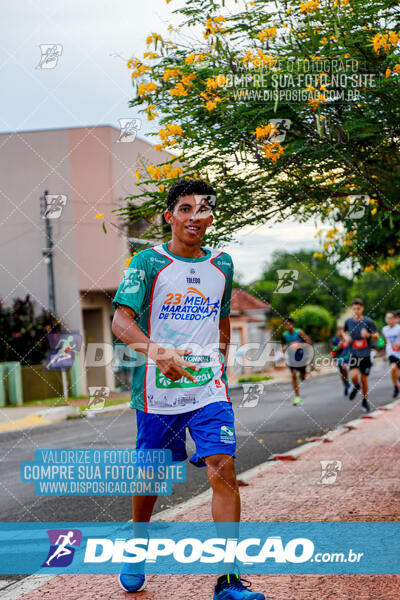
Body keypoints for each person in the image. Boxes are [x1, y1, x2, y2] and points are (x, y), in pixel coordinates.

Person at [112, 179, 264, 600]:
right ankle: (137, 544)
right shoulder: (146, 262)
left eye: (203, 209)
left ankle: (228, 580)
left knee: (223, 467)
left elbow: (220, 320)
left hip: (208, 389)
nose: (195, 217)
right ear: (170, 217)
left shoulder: (223, 264)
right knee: (151, 476)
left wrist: (222, 369)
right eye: (185, 209)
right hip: (157, 393)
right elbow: (121, 322)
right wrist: (156, 351)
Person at [344, 299, 379, 412]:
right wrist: (346, 338)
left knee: (364, 379)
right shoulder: (348, 321)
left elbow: (377, 336)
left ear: (362, 309)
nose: (356, 311)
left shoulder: (368, 321)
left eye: (358, 309)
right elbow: (343, 332)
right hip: (354, 353)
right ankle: (356, 387)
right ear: (352, 309)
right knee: (353, 376)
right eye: (354, 309)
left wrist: (368, 335)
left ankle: (364, 400)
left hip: (365, 354)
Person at [282, 317, 312, 406]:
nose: (287, 326)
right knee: (294, 374)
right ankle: (297, 397)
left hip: (302, 357)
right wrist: (285, 348)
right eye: (285, 325)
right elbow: (286, 344)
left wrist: (299, 345)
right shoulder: (285, 335)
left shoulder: (299, 332)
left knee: (302, 377)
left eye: (288, 324)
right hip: (292, 358)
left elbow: (309, 342)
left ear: (292, 324)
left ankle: (304, 373)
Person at [382, 311, 400, 398]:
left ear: (394, 319)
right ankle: (395, 386)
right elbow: (386, 341)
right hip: (392, 353)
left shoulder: (398, 328)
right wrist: (387, 351)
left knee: (398, 372)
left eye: (390, 318)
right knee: (393, 368)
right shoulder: (384, 329)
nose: (389, 320)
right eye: (387, 318)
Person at [330, 326, 350, 396]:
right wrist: (339, 346)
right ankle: (345, 386)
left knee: (344, 367)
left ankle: (347, 383)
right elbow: (333, 350)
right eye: (339, 331)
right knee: (342, 373)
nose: (340, 333)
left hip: (346, 356)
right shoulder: (335, 340)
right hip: (339, 357)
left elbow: (350, 344)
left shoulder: (346, 338)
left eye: (341, 331)